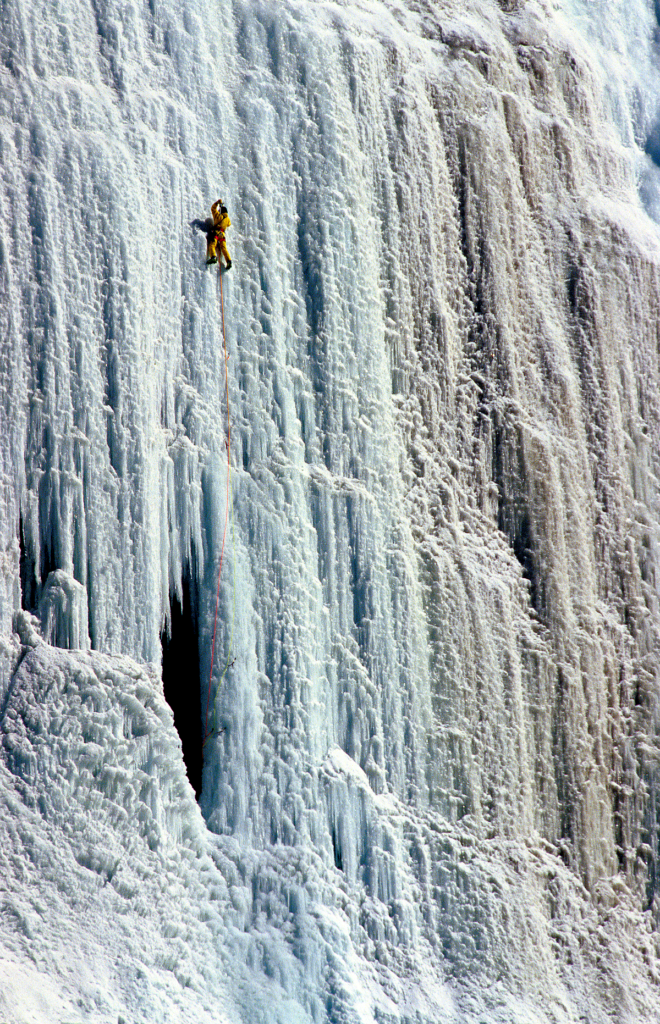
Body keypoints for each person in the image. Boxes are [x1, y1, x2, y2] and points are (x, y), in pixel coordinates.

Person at [206, 201, 232, 269]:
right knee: (224, 248)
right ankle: (229, 261)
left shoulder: (218, 215)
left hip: (216, 232)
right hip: (222, 234)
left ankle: (213, 257)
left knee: (212, 245)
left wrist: (217, 203)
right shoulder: (227, 219)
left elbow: (213, 209)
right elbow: (229, 224)